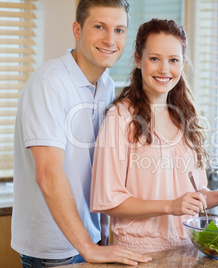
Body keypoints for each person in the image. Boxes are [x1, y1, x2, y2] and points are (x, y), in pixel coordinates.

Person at [90, 18, 218, 254]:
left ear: (182, 63)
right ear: (138, 59)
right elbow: (109, 200)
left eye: (173, 60)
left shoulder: (185, 117)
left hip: (187, 250)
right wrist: (170, 206)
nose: (164, 70)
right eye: (154, 58)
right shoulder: (120, 117)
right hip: (138, 255)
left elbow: (193, 198)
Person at [11, 0, 151, 267]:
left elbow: (98, 164)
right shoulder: (49, 84)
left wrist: (103, 230)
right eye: (100, 27)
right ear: (77, 29)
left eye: (119, 30)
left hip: (91, 238)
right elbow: (48, 175)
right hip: (53, 250)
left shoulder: (106, 85)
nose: (110, 39)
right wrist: (89, 248)